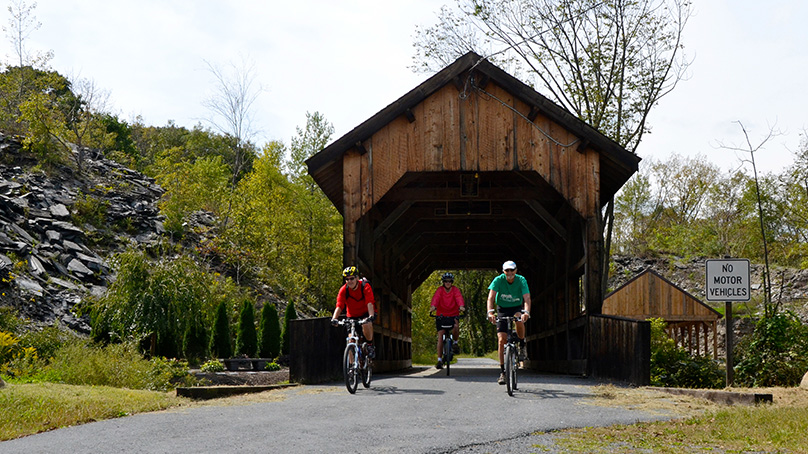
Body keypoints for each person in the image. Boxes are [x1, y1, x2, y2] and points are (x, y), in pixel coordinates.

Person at [486, 260, 531, 385]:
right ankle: (503, 373)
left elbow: (526, 298)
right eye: (507, 270)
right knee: (501, 340)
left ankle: (522, 344)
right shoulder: (498, 280)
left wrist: (526, 312)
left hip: (516, 307)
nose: (510, 273)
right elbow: (490, 297)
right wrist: (490, 312)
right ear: (503, 271)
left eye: (512, 270)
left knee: (519, 319)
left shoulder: (521, 280)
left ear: (516, 270)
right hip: (502, 308)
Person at [331, 266, 376, 358]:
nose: (349, 281)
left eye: (351, 278)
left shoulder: (364, 286)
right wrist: (334, 318)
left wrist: (371, 316)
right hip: (352, 316)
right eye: (347, 279)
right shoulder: (344, 290)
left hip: (365, 313)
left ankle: (370, 345)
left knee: (366, 323)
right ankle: (351, 368)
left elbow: (369, 302)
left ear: (357, 278)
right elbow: (339, 305)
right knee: (350, 341)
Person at [429, 272, 465, 369]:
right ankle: (439, 360)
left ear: (452, 282)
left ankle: (455, 343)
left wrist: (461, 306)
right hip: (441, 315)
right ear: (443, 282)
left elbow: (458, 298)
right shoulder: (440, 290)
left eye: (449, 281)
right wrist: (433, 306)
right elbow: (436, 298)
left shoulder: (455, 290)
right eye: (446, 281)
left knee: (456, 326)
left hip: (453, 314)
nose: (448, 283)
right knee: (440, 336)